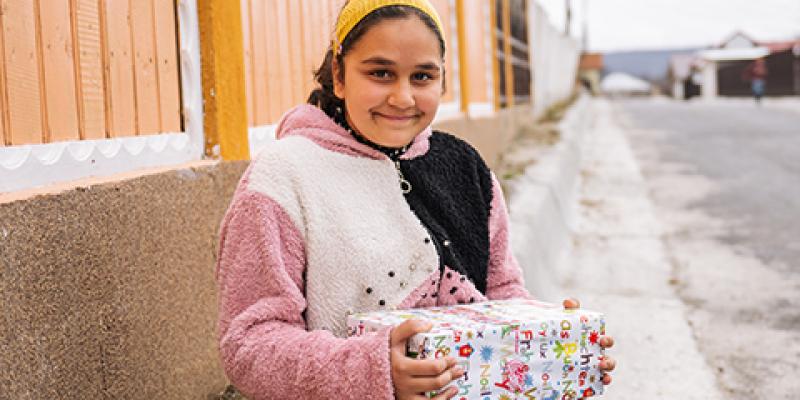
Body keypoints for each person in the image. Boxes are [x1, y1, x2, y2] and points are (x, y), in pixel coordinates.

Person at [215, 1, 616, 399]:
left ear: (442, 80)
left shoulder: (466, 168)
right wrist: (371, 370)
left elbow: (502, 292)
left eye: (422, 76)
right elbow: (248, 343)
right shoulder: (282, 179)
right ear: (338, 75)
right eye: (381, 73)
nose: (403, 97)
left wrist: (555, 345)